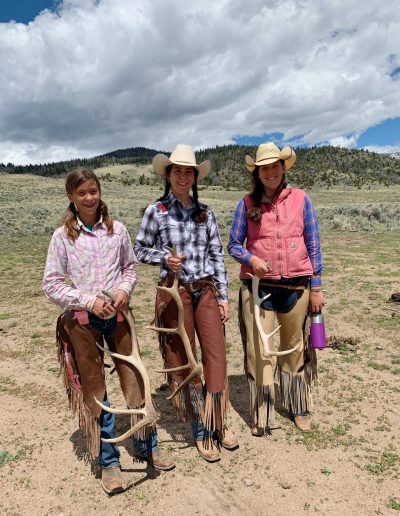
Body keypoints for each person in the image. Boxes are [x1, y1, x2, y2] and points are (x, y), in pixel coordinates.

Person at [43, 168, 174, 496]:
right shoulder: (63, 237)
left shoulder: (117, 231)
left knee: (135, 379)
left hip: (119, 316)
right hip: (83, 323)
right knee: (96, 390)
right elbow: (52, 283)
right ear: (71, 197)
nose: (89, 198)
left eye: (93, 191)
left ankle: (147, 444)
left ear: (100, 192)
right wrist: (87, 301)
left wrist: (123, 292)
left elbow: (130, 268)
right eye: (82, 193)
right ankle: (109, 460)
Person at [134, 144, 238, 462]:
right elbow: (139, 250)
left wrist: (222, 296)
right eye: (177, 170)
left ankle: (217, 419)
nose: (182, 176)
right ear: (169, 175)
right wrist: (164, 257)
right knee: (184, 357)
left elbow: (217, 256)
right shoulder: (157, 211)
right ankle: (202, 428)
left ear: (194, 177)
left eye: (188, 171)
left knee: (215, 357)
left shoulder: (205, 212)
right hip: (173, 292)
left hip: (204, 289)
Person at [227, 142, 325, 435]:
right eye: (264, 168)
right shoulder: (246, 203)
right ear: (257, 173)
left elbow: (314, 244)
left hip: (296, 287)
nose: (270, 172)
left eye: (275, 166)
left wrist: (316, 288)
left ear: (283, 168)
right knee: (260, 351)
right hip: (258, 288)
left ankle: (297, 406)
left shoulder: (301, 199)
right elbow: (233, 244)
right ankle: (264, 411)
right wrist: (250, 258)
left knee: (294, 348)